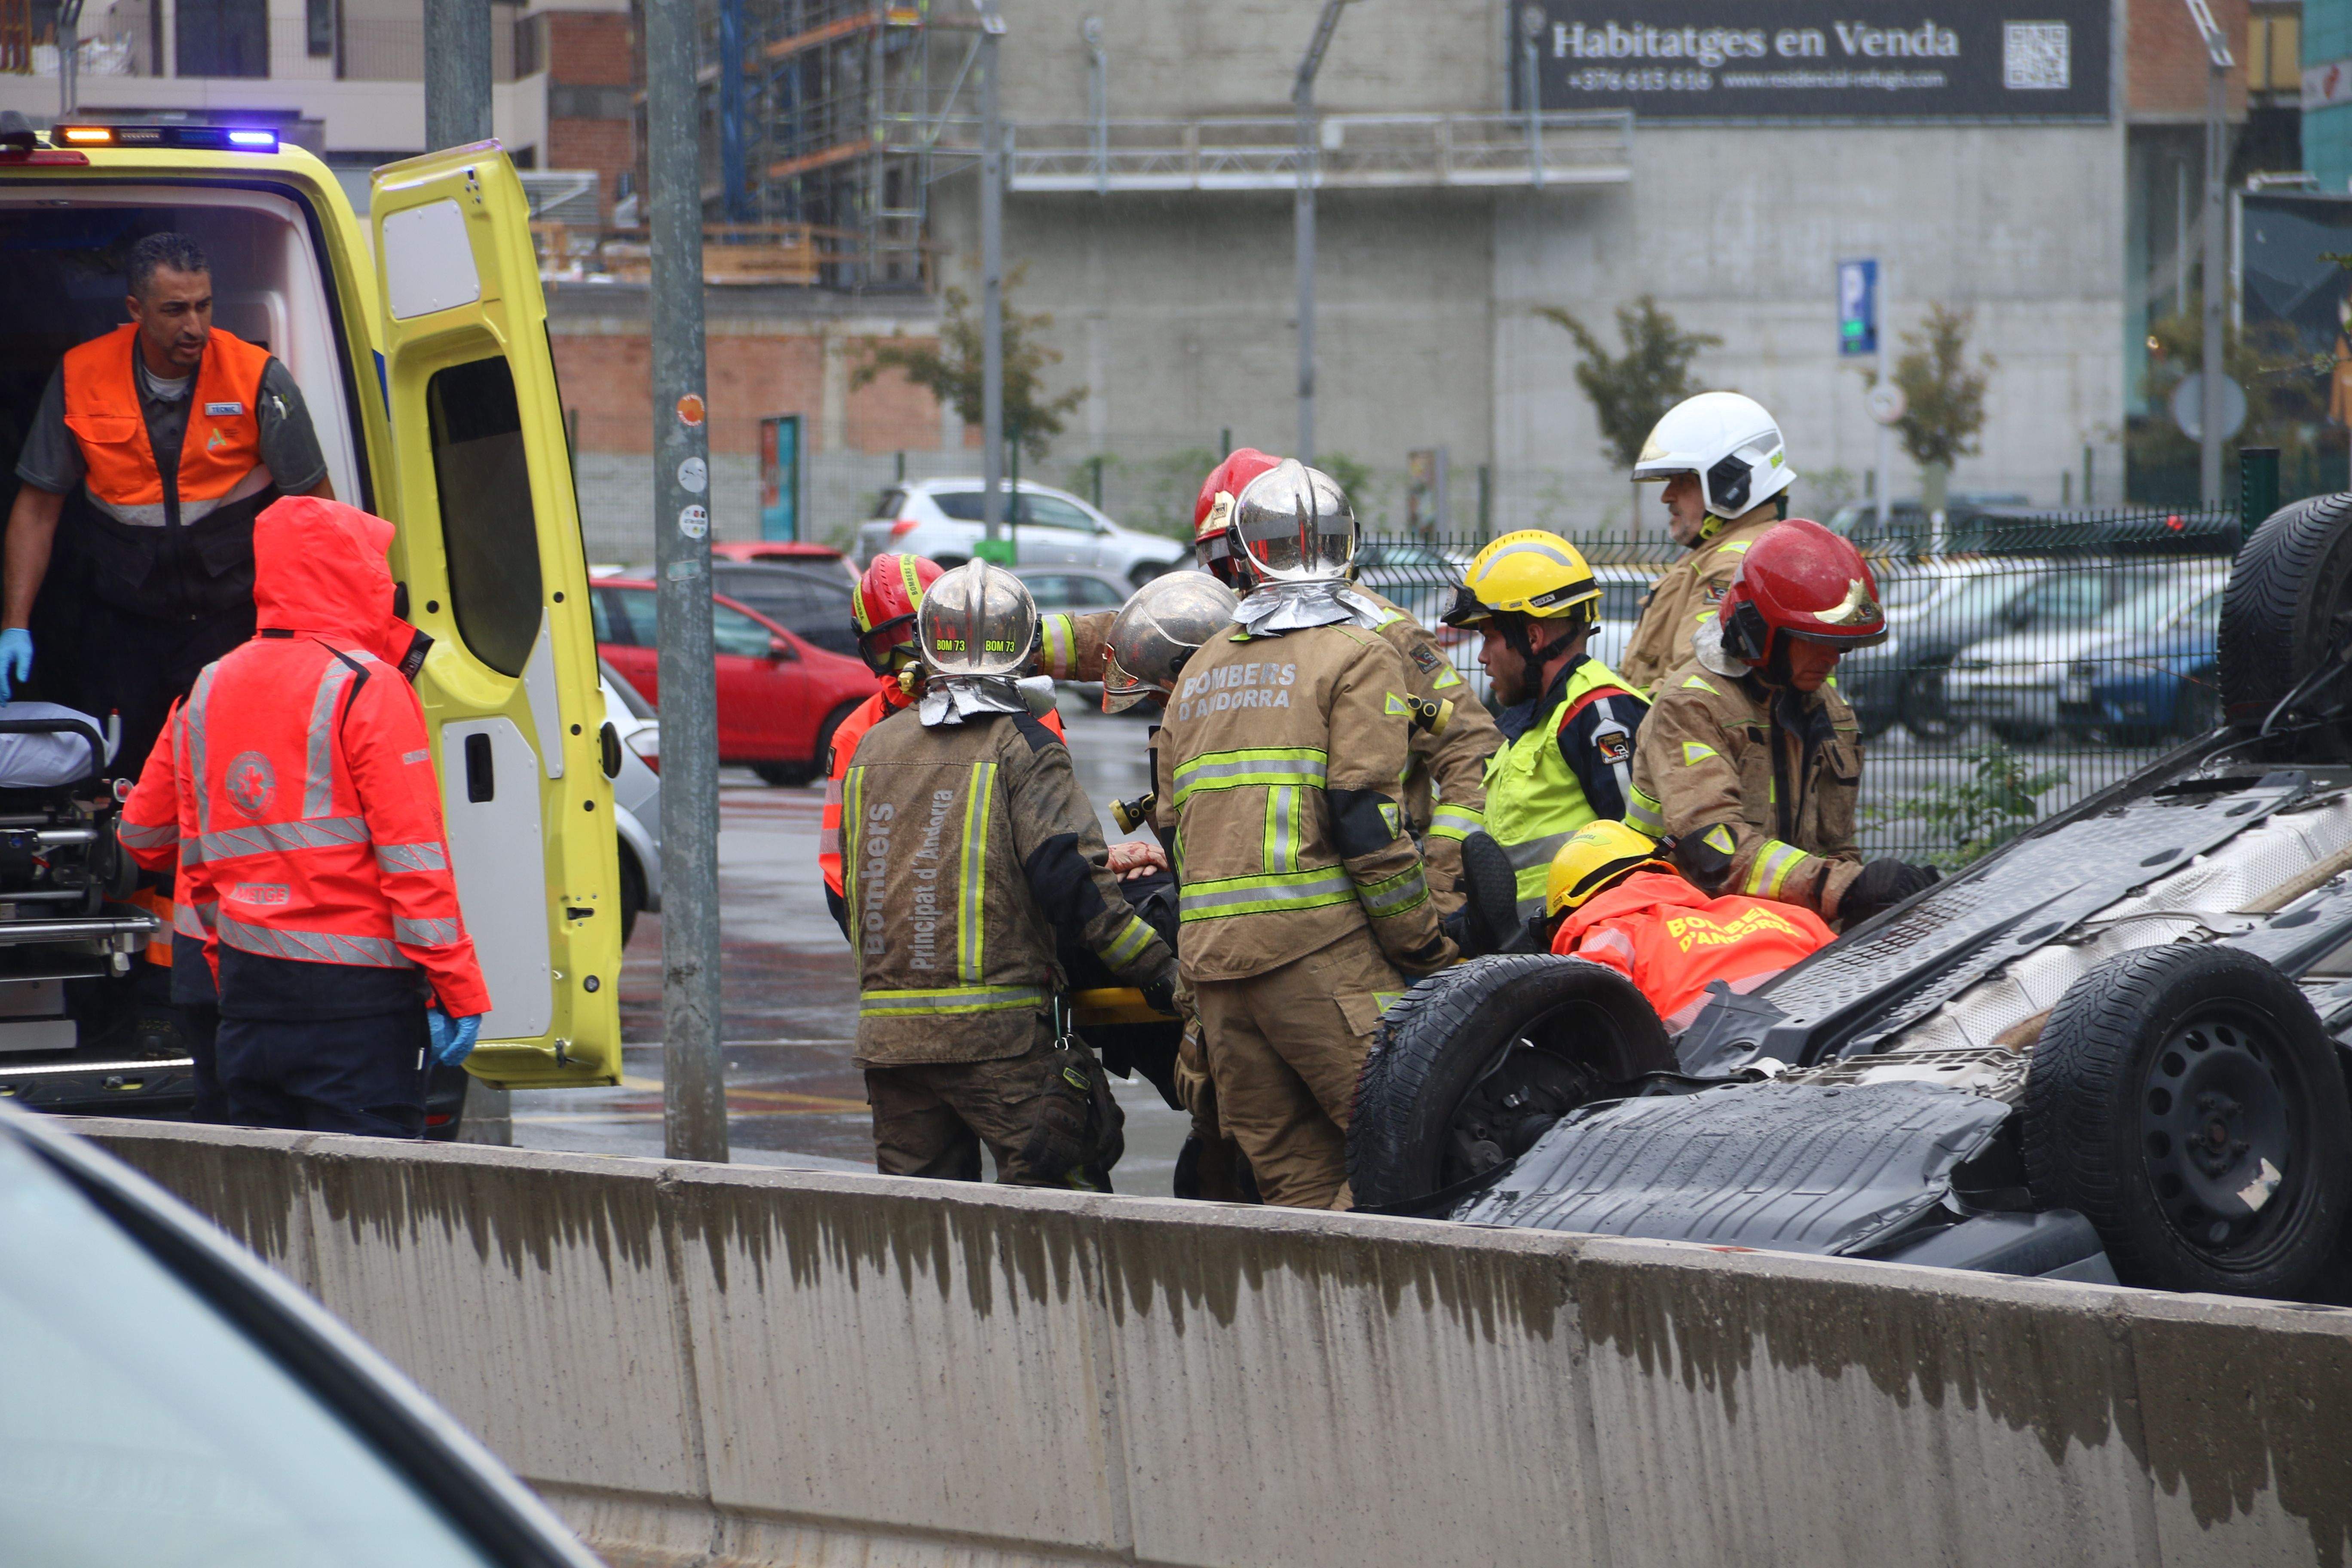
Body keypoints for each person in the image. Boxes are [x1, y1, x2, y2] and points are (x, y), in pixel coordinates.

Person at [1153, 459, 1463, 1210]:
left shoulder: (1198, 670)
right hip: (1319, 959)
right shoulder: (1359, 653)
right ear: (1346, 546)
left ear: (1245, 553)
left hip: (1217, 976)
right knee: (1407, 1151)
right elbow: (1365, 818)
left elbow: (1172, 828)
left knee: (1296, 1184)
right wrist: (1424, 946)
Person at [841, 560, 1176, 1188]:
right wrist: (1161, 973)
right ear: (1025, 651)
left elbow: (857, 891)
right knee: (1062, 1214)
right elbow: (1070, 881)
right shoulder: (1020, 743)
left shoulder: (870, 748)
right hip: (1000, 1045)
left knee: (922, 1238)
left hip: (890, 1046)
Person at [165, 495, 487, 1136]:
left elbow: (193, 859)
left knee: (263, 1216)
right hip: (356, 1011)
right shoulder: (366, 685)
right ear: (353, 572)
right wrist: (459, 987)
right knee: (367, 1215)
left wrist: (227, 976)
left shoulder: (210, 684)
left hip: (249, 1001)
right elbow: (414, 860)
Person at [4, 230, 335, 777]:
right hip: (123, 627)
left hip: (229, 624)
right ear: (136, 309)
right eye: (175, 310)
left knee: (229, 776)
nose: (195, 327)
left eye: (205, 306)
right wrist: (13, 625)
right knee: (128, 781)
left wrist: (326, 625)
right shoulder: (81, 376)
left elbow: (318, 512)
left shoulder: (257, 378)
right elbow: (37, 510)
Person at [1196, 447, 1502, 919]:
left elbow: (1472, 748)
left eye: (1234, 558)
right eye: (1218, 564)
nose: (1233, 580)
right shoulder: (1233, 640)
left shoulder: (1383, 630)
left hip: (1380, 895)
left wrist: (1441, 883)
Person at [1626, 518, 1940, 929]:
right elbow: (1715, 852)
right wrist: (1843, 887)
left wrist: (1871, 899)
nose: (1835, 658)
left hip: (1787, 935)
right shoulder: (1692, 705)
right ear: (1760, 631)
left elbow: (1836, 850)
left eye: (1842, 642)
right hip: (1687, 930)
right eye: (1817, 639)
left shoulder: (1831, 712)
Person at [1098, 568, 1255, 1200]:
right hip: (1215, 951)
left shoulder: (1231, 731)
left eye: (1163, 698)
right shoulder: (1214, 722)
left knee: (1262, 1150)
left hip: (1240, 964)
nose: (1162, 717)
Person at [1441, 530, 1649, 923]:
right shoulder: (1536, 723)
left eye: (1489, 638)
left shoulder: (1600, 714)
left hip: (1584, 956)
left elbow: (1639, 860)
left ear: (1533, 637)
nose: (1482, 657)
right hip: (1534, 957)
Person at [1541, 821, 1834, 1032]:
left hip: (1724, 1068)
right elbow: (1853, 965)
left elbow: (1583, 1011)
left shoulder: (1611, 932)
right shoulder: (1778, 914)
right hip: (1830, 1030)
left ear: (1576, 907)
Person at [1617, 392, 1796, 694]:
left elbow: (1690, 684)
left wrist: (1616, 721)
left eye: (1683, 480)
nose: (1666, 496)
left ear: (1731, 484)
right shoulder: (1717, 554)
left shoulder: (1734, 566)